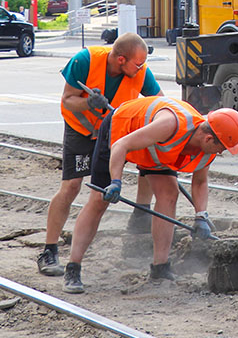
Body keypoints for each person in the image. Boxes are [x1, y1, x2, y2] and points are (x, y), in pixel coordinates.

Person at [63, 95, 238, 294]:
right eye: (221, 148)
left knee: (169, 194)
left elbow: (200, 181)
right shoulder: (170, 125)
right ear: (209, 138)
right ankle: (73, 267)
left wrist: (201, 215)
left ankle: (160, 267)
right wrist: (116, 182)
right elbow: (121, 145)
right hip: (120, 134)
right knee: (99, 201)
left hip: (155, 151)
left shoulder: (206, 149)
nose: (220, 153)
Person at [38, 33, 161, 277]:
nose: (141, 69)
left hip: (110, 135)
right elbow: (68, 99)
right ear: (120, 59)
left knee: (146, 154)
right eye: (137, 64)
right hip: (81, 130)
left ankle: (141, 212)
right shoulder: (85, 61)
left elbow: (158, 101)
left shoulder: (141, 72)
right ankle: (49, 251)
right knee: (71, 186)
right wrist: (88, 104)